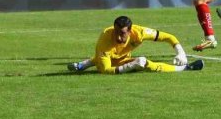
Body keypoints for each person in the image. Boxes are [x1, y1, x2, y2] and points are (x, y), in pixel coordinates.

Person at [67, 15, 205, 74]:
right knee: (142, 62)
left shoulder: (139, 32)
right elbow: (105, 70)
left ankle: (83, 64)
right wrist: (130, 66)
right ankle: (86, 63)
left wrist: (180, 52)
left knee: (144, 62)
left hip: (121, 58)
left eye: (122, 33)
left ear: (130, 31)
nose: (118, 36)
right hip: (109, 60)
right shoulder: (105, 38)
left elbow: (168, 37)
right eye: (116, 32)